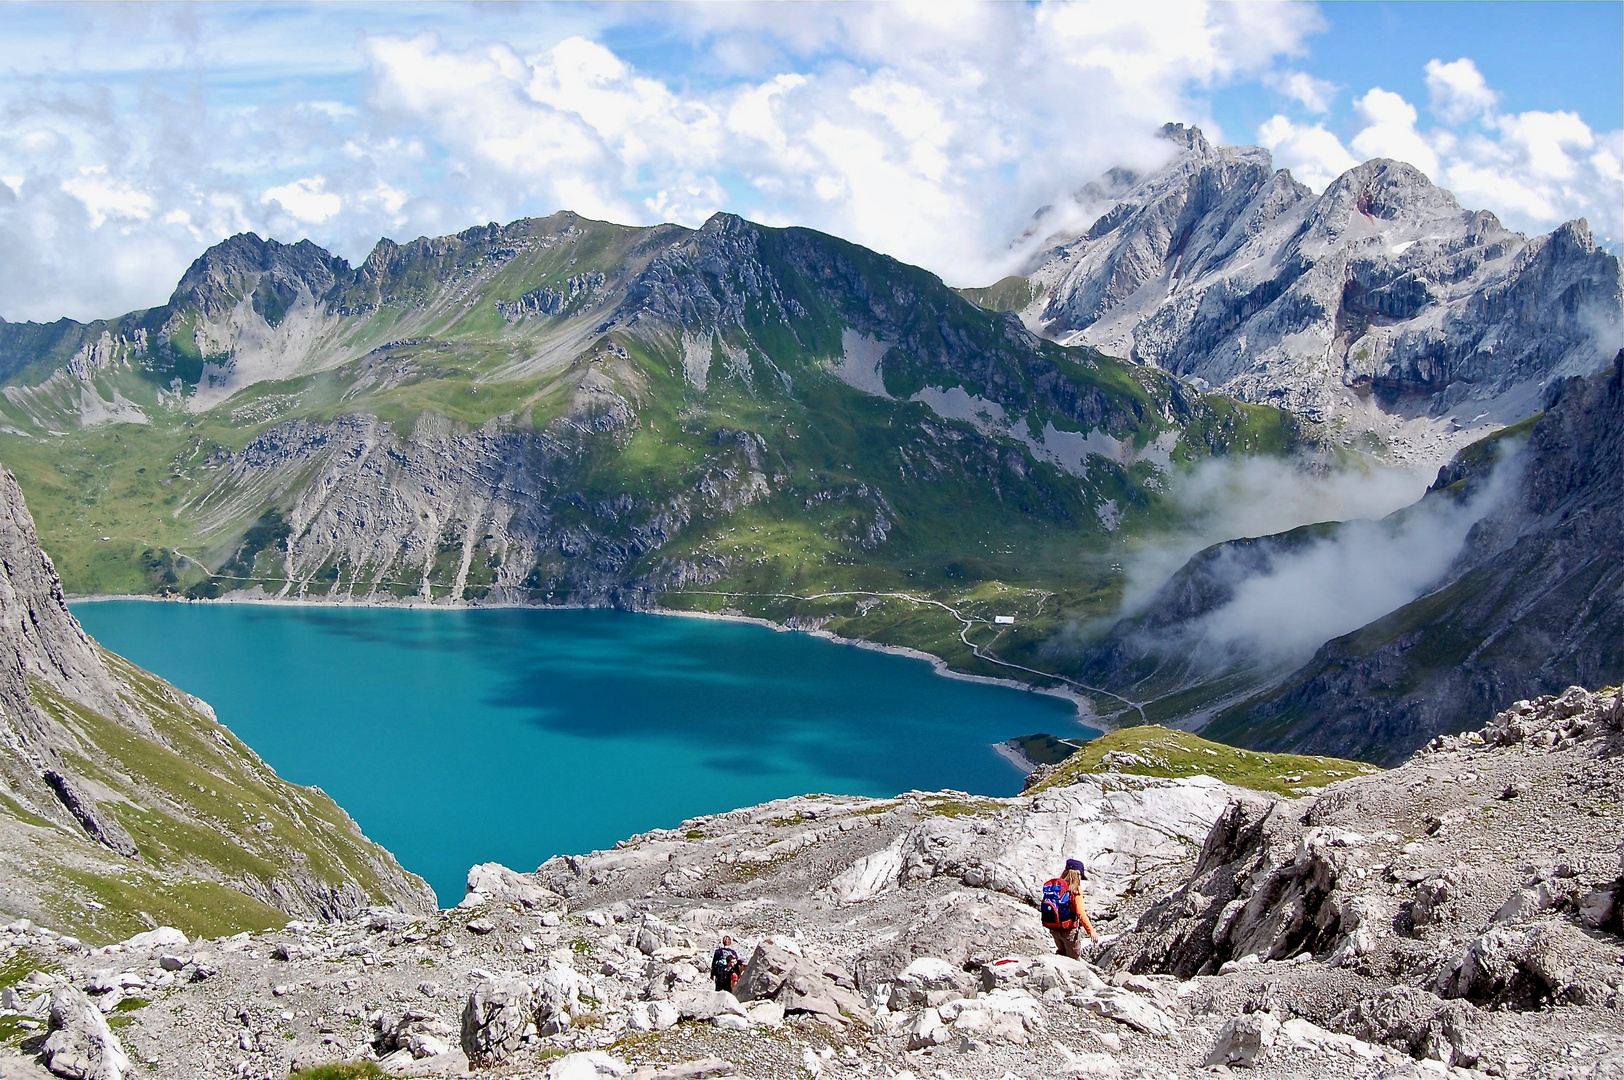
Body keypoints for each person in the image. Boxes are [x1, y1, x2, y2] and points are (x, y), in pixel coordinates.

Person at [1040, 858, 1099, 960]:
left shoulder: (1057, 886)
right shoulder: (1075, 890)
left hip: (1054, 928)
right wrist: (1091, 931)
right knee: (1073, 959)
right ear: (1078, 874)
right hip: (1068, 930)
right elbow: (1080, 913)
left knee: (1061, 953)